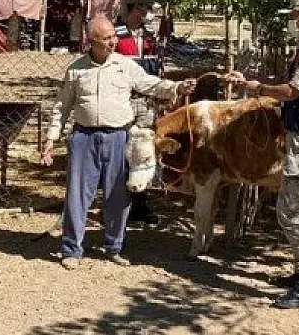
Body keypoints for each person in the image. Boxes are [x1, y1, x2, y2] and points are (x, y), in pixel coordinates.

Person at [40, 15, 195, 270]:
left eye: (114, 36)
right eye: (106, 38)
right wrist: (51, 138)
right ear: (91, 42)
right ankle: (71, 249)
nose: (113, 42)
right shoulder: (76, 69)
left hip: (118, 137)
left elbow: (150, 84)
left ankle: (114, 246)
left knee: (118, 194)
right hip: (84, 137)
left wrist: (177, 87)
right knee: (77, 194)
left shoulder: (125, 66)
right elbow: (62, 106)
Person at [226, 0, 299, 309]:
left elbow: (293, 91)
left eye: (294, 17)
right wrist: (251, 81)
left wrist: (258, 89)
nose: (291, 22)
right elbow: (290, 83)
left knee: (290, 212)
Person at [114, 0, 162, 226]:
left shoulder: (150, 36)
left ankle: (140, 204)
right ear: (138, 9)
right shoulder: (116, 35)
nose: (149, 14)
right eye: (147, 9)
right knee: (123, 151)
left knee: (143, 152)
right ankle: (119, 203)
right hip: (124, 100)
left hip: (147, 101)